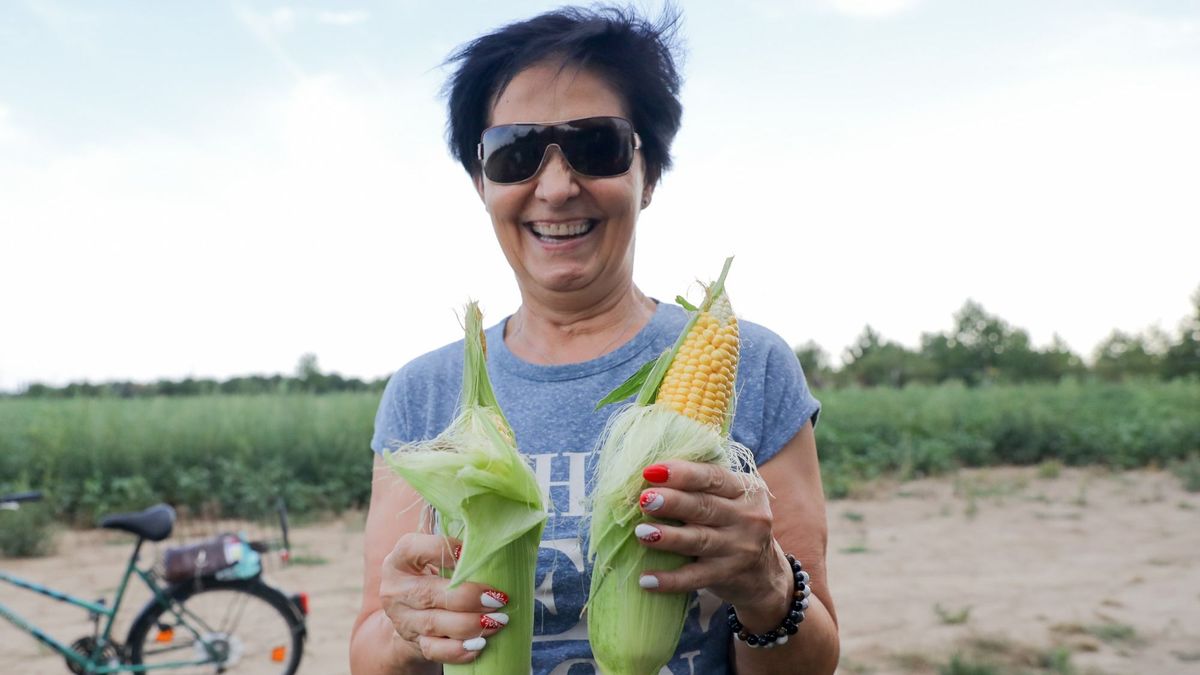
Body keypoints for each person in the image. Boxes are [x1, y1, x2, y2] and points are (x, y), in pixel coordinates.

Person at [350, 6, 838, 674]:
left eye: (597, 146)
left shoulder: (755, 364)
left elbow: (812, 659)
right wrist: (407, 626)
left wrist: (767, 585)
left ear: (650, 175)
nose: (555, 187)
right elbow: (369, 650)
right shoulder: (424, 392)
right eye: (515, 154)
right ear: (481, 182)